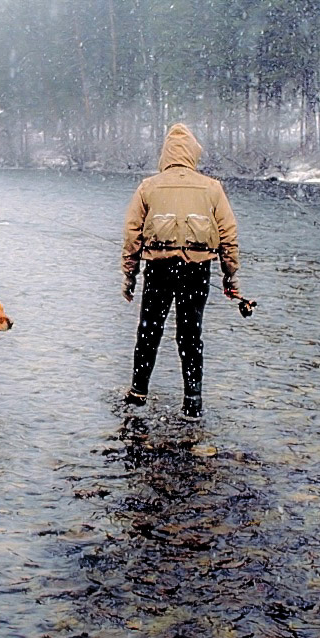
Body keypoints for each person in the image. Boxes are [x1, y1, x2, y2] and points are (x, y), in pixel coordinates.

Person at [121, 123, 242, 417]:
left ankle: (138, 393)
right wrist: (230, 273)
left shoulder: (148, 186)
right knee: (190, 334)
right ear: (193, 153)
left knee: (149, 331)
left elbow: (132, 233)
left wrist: (130, 274)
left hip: (158, 270)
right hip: (197, 272)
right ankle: (192, 400)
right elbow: (228, 234)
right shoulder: (212, 188)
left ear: (165, 154)